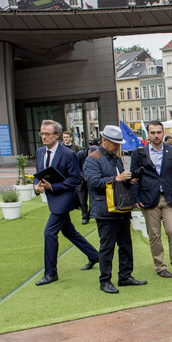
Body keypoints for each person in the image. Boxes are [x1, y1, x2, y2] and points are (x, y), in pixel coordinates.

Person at [33, 120, 100, 286]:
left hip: (64, 199)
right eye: (42, 133)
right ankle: (95, 256)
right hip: (52, 198)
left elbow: (76, 179)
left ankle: (50, 273)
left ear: (57, 135)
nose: (44, 137)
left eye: (47, 134)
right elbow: (38, 175)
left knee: (49, 233)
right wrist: (37, 187)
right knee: (69, 232)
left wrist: (53, 186)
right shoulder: (40, 152)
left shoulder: (68, 154)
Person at [84, 125, 148, 294]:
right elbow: (94, 183)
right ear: (104, 141)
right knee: (107, 247)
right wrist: (117, 178)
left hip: (121, 208)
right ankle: (105, 280)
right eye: (115, 144)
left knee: (126, 244)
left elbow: (117, 182)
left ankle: (125, 276)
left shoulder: (116, 157)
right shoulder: (93, 159)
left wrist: (128, 180)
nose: (118, 147)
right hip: (105, 210)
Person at [131, 120, 172, 278]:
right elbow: (134, 177)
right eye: (153, 133)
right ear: (148, 134)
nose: (156, 136)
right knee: (154, 235)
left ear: (163, 133)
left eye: (159, 132)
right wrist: (136, 198)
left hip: (169, 198)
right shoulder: (139, 153)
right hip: (149, 199)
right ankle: (160, 266)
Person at [76, 139, 99, 224]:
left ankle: (92, 215)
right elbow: (75, 168)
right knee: (82, 200)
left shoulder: (98, 155)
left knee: (94, 199)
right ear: (89, 152)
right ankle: (84, 216)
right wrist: (83, 176)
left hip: (92, 180)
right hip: (81, 181)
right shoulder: (80, 155)